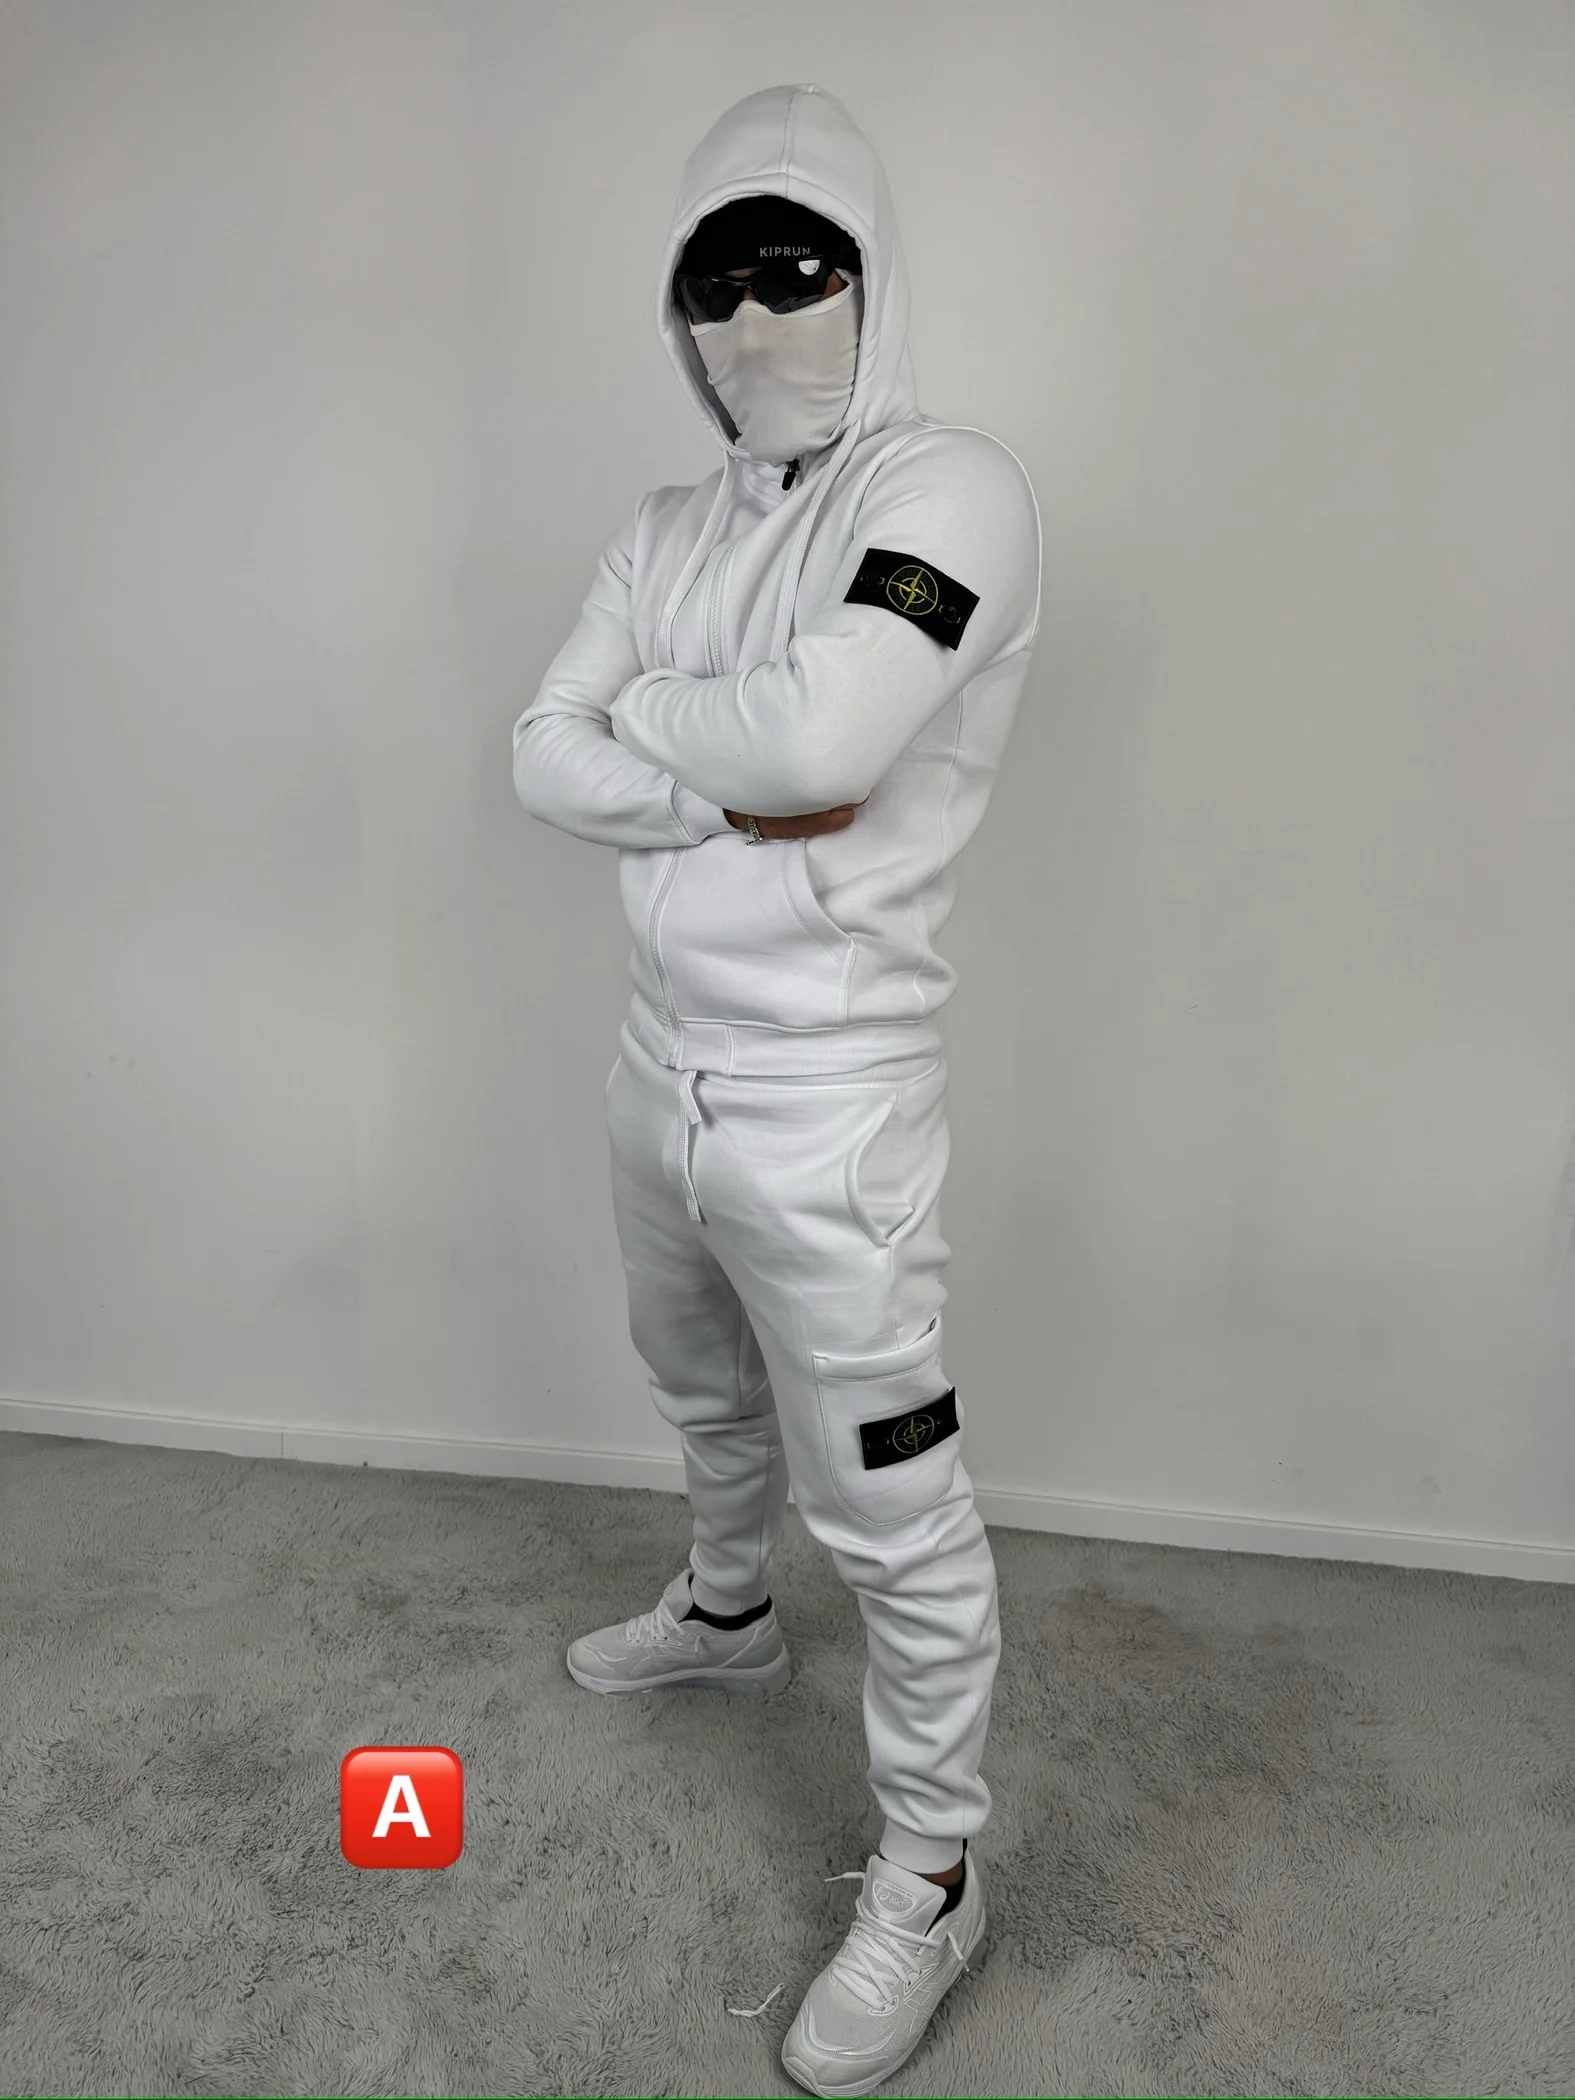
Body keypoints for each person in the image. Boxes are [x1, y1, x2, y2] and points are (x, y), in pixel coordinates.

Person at [512, 81, 1042, 2098]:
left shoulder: (954, 494)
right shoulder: (661, 531)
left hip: (833, 1101)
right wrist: (719, 771)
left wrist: (645, 726)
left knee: (894, 1505)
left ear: (870, 278)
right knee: (698, 1386)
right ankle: (728, 1614)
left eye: (797, 270)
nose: (754, 319)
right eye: (714, 283)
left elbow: (831, 730)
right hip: (659, 1064)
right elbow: (538, 750)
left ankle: (931, 1873)